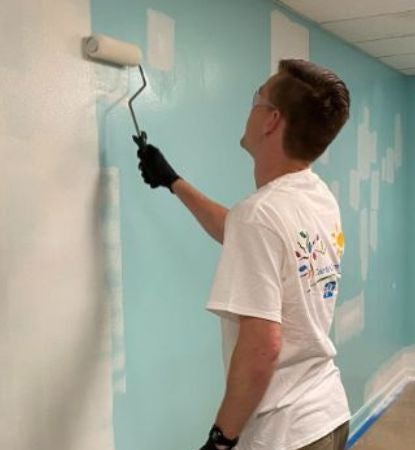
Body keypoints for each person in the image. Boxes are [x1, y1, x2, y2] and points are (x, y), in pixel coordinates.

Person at [133, 59, 351, 450]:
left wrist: (221, 439)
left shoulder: (261, 215)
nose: (249, 108)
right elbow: (242, 232)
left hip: (283, 433)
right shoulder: (317, 198)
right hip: (327, 416)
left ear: (271, 120)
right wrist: (172, 181)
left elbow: (262, 346)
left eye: (257, 98)